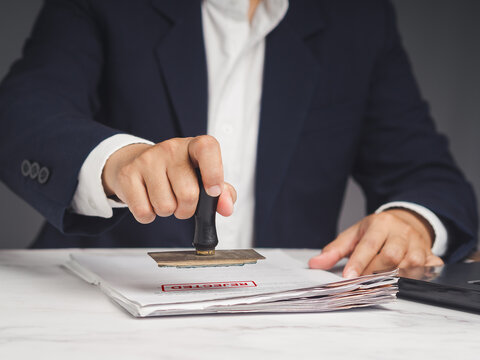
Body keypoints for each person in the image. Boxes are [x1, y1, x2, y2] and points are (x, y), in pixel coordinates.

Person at [0, 0, 477, 278]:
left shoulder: (358, 20)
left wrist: (411, 220)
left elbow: (426, 173)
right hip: (91, 308)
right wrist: (116, 161)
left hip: (281, 329)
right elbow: (20, 112)